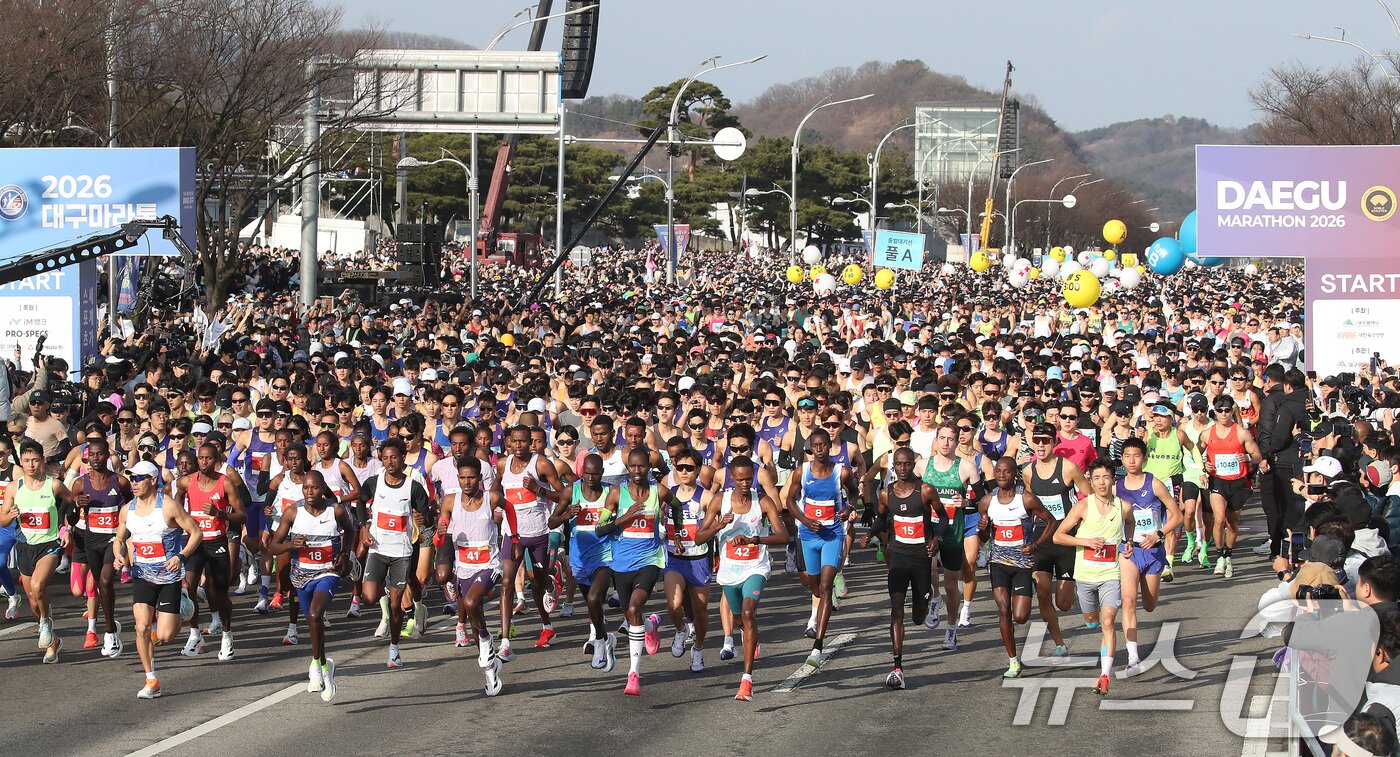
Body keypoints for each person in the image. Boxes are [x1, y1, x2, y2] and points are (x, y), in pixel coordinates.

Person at [696, 455, 788, 701]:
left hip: (755, 567)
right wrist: (720, 525)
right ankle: (749, 635)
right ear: (732, 479)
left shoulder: (763, 502)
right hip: (729, 572)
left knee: (748, 613)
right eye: (740, 480)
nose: (746, 484)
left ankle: (746, 680)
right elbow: (698, 537)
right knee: (739, 619)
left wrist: (755, 539)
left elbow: (783, 536)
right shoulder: (720, 500)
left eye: (749, 479)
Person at [112, 460, 203, 698]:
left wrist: (181, 556)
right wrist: (118, 555)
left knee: (165, 636)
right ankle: (151, 679)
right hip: (142, 574)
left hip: (169, 577)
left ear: (153, 480)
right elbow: (119, 538)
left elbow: (196, 532)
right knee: (141, 626)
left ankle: (186, 604)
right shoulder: (127, 509)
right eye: (131, 479)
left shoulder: (169, 507)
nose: (134, 483)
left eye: (139, 478)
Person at [266, 470, 356, 701]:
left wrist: (345, 554)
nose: (309, 492)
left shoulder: (334, 510)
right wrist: (289, 545)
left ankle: (318, 668)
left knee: (316, 615)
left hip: (327, 572)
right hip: (300, 574)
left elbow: (351, 530)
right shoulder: (293, 512)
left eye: (314, 488)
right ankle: (323, 663)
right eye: (305, 488)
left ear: (323, 487)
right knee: (312, 621)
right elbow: (272, 547)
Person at [862, 446, 945, 689]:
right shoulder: (887, 493)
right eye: (898, 465)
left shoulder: (926, 490)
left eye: (906, 464)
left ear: (913, 465)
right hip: (897, 556)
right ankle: (897, 666)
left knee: (918, 617)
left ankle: (926, 599)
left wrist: (936, 539)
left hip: (920, 558)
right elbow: (881, 519)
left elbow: (944, 518)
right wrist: (870, 534)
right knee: (896, 609)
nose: (902, 469)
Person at [1054, 460, 1134, 695]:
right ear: (1090, 480)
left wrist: (1128, 541)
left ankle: (1105, 675)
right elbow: (1059, 536)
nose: (1101, 482)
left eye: (1106, 478)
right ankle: (1091, 618)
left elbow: (1130, 523)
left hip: (1110, 573)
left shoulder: (1124, 506)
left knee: (1109, 622)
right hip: (1085, 576)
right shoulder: (1083, 506)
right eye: (1096, 478)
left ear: (1113, 480)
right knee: (1093, 620)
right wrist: (1085, 542)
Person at [595, 448, 667, 696]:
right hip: (621, 564)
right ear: (628, 468)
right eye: (633, 467)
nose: (637, 471)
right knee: (631, 614)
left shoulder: (659, 492)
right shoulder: (617, 494)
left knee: (634, 609)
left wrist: (677, 531)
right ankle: (651, 624)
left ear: (649, 466)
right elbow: (600, 530)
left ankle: (633, 673)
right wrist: (623, 518)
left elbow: (678, 506)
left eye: (642, 467)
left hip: (650, 560)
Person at [979, 456, 1059, 679]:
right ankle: (1013, 661)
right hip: (998, 562)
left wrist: (1035, 544)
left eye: (1006, 471)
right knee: (1003, 610)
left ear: (1015, 474)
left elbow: (1051, 522)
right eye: (998, 471)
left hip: (1022, 563)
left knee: (1021, 616)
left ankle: (1028, 587)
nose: (1001, 475)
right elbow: (984, 536)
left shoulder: (1027, 499)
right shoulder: (987, 502)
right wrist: (983, 528)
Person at [784, 427, 858, 668]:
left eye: (823, 445)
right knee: (813, 586)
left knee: (824, 587)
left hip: (833, 535)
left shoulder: (841, 473)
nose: (819, 450)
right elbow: (790, 501)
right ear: (809, 448)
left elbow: (854, 494)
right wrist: (805, 521)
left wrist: (848, 508)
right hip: (809, 536)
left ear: (830, 446)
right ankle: (827, 593)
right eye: (814, 446)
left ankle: (817, 646)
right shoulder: (801, 472)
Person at [357, 437, 432, 668]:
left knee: (395, 603)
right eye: (386, 458)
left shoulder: (413, 487)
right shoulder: (374, 482)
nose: (390, 462)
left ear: (402, 459)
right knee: (368, 598)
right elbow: (360, 501)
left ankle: (394, 651)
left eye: (394, 457)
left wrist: (423, 517)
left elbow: (427, 517)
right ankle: (418, 606)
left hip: (402, 551)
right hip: (378, 549)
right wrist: (363, 527)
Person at [492, 425, 566, 660]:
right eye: (514, 441)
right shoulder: (503, 464)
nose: (519, 446)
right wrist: (493, 501)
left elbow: (564, 495)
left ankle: (547, 625)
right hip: (512, 534)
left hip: (538, 534)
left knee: (537, 583)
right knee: (506, 582)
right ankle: (505, 642)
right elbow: (496, 486)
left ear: (531, 443)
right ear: (508, 443)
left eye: (524, 441)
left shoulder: (541, 464)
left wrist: (538, 490)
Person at [1, 441, 77, 663]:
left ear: (42, 460)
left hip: (49, 545)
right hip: (25, 546)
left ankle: (45, 624)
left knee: (37, 586)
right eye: (26, 461)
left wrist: (67, 528)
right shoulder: (15, 488)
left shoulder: (54, 485)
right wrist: (10, 514)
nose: (31, 465)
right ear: (20, 462)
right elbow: (2, 518)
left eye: (35, 460)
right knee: (33, 600)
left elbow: (72, 504)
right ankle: (52, 640)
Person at [436, 456, 506, 696]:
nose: (467, 482)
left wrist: (514, 537)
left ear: (480, 478)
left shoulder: (491, 498)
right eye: (462, 478)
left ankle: (486, 641)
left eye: (471, 477)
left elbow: (510, 510)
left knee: (470, 602)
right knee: (477, 621)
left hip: (489, 565)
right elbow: (439, 536)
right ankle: (490, 670)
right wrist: (441, 532)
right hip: (463, 566)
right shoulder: (449, 501)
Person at [1115, 437, 1183, 676]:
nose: (1132, 460)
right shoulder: (1117, 487)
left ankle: (1134, 652)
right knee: (1129, 601)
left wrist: (1159, 534)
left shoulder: (1155, 484)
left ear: (1144, 458)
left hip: (1153, 551)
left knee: (1150, 605)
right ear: (1122, 459)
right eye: (1127, 456)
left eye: (1136, 455)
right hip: (1129, 551)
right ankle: (1133, 656)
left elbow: (1177, 516)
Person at [176, 442, 245, 661]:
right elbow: (175, 505)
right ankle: (195, 634)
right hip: (195, 544)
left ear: (216, 461)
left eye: (208, 458)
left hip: (217, 542)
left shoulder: (225, 484)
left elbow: (241, 515)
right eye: (201, 458)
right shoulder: (186, 482)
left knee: (218, 593)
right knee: (187, 587)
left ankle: (227, 635)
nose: (204, 462)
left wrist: (220, 513)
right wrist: (180, 521)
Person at [548, 453, 616, 671]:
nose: (590, 477)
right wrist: (568, 513)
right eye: (586, 472)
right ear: (581, 472)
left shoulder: (611, 492)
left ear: (602, 473)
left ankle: (597, 642)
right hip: (579, 558)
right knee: (592, 604)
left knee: (596, 597)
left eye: (595, 473)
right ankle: (606, 638)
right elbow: (551, 522)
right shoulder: (571, 491)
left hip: (605, 556)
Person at [1022, 421, 1083, 656]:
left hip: (1066, 537)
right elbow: (1031, 504)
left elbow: (1087, 496)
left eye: (1045, 441)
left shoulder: (1068, 468)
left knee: (1064, 604)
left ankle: (1073, 589)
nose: (1040, 445)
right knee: (1043, 592)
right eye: (1036, 440)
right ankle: (1059, 643)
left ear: (1055, 443)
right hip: (1041, 537)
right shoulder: (1028, 471)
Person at [919, 421, 981, 649]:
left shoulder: (966, 468)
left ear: (957, 441)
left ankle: (951, 629)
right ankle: (935, 598)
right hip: (930, 529)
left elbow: (982, 499)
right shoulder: (923, 466)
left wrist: (966, 502)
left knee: (952, 585)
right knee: (930, 567)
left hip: (954, 533)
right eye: (942, 438)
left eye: (951, 439)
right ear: (936, 439)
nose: (946, 443)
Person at [73, 437, 132, 659]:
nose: (95, 458)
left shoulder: (120, 482)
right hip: (91, 540)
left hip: (113, 539)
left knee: (106, 580)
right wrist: (76, 505)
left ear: (107, 456)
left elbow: (130, 505)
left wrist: (128, 534)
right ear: (86, 457)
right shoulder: (80, 483)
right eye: (92, 455)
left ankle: (108, 632)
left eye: (99, 454)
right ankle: (112, 624)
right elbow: (70, 515)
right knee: (100, 585)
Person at [1200, 394, 1264, 578]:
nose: (1224, 414)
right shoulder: (1207, 434)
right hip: (1217, 480)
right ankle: (1220, 556)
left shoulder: (1241, 432)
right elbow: (1196, 455)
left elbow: (1258, 456)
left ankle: (1228, 554)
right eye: (1220, 410)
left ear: (1231, 411)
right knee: (1218, 519)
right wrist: (1205, 465)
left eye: (1227, 410)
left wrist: (1248, 458)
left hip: (1238, 482)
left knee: (1232, 522)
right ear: (1214, 411)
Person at [663, 447, 713, 672]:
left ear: (698, 470)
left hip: (699, 560)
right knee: (674, 605)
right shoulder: (668, 493)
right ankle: (681, 629)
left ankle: (699, 649)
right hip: (675, 559)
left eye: (689, 468)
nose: (684, 472)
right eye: (679, 467)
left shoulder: (706, 496)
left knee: (700, 611)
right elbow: (660, 519)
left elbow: (716, 527)